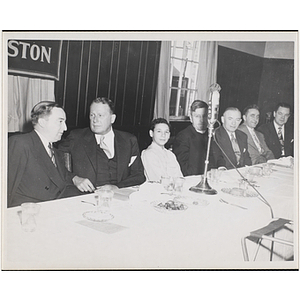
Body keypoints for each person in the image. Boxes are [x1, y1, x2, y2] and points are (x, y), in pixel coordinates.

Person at [58, 97, 145, 192]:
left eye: (100, 115)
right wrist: (74, 178)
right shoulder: (75, 137)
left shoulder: (128, 140)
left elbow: (139, 175)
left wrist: (117, 187)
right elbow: (55, 163)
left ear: (112, 118)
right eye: (92, 115)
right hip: (87, 198)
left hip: (120, 196)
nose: (95, 120)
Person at [8, 101, 78, 208]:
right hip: (30, 212)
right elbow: (6, 187)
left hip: (54, 207)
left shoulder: (54, 150)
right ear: (42, 122)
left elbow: (62, 182)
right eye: (60, 121)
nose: (65, 128)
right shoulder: (21, 143)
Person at [172, 100, 215, 176]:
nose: (201, 120)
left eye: (204, 116)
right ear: (191, 118)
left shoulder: (212, 134)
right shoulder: (183, 136)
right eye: (197, 116)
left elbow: (217, 158)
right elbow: (183, 167)